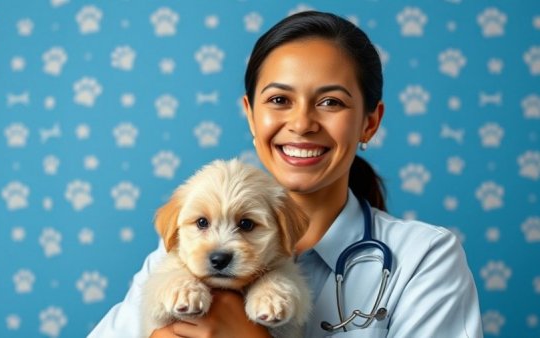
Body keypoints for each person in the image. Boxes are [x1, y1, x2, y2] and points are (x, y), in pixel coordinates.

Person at [89, 11, 483, 338]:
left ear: (369, 122)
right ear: (250, 114)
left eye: (330, 102)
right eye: (279, 100)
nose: (301, 123)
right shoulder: (182, 249)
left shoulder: (423, 258)